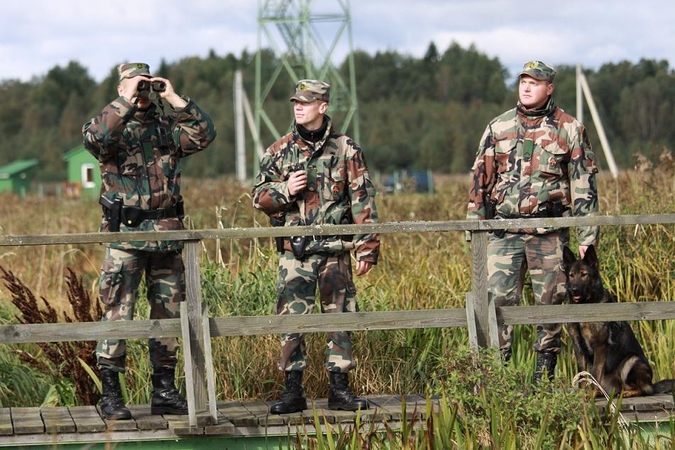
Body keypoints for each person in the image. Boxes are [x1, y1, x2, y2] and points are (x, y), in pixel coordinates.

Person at [82, 62, 217, 419]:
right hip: (126, 239)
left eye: (145, 84)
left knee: (169, 316)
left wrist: (173, 97)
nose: (141, 91)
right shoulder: (110, 128)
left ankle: (164, 390)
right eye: (134, 84)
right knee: (117, 314)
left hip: (167, 239)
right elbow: (94, 140)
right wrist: (124, 100)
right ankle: (111, 395)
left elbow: (204, 135)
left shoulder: (168, 130)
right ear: (121, 87)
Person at [466, 61, 599, 384]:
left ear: (549, 88)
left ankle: (543, 377)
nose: (527, 87)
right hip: (503, 230)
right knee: (495, 301)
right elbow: (480, 179)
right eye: (523, 81)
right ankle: (495, 380)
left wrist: (587, 233)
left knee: (551, 301)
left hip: (548, 232)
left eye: (535, 83)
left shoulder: (569, 128)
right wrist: (475, 227)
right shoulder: (498, 127)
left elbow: (583, 182)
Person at [252, 79, 380, 413]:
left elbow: (362, 200)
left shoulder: (346, 148)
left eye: (306, 102)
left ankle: (340, 389)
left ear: (323, 107)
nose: (298, 107)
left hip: (335, 251)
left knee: (340, 319)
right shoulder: (278, 150)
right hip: (294, 252)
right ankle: (293, 391)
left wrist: (367, 246)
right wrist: (284, 190)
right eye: (296, 101)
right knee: (291, 321)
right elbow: (258, 199)